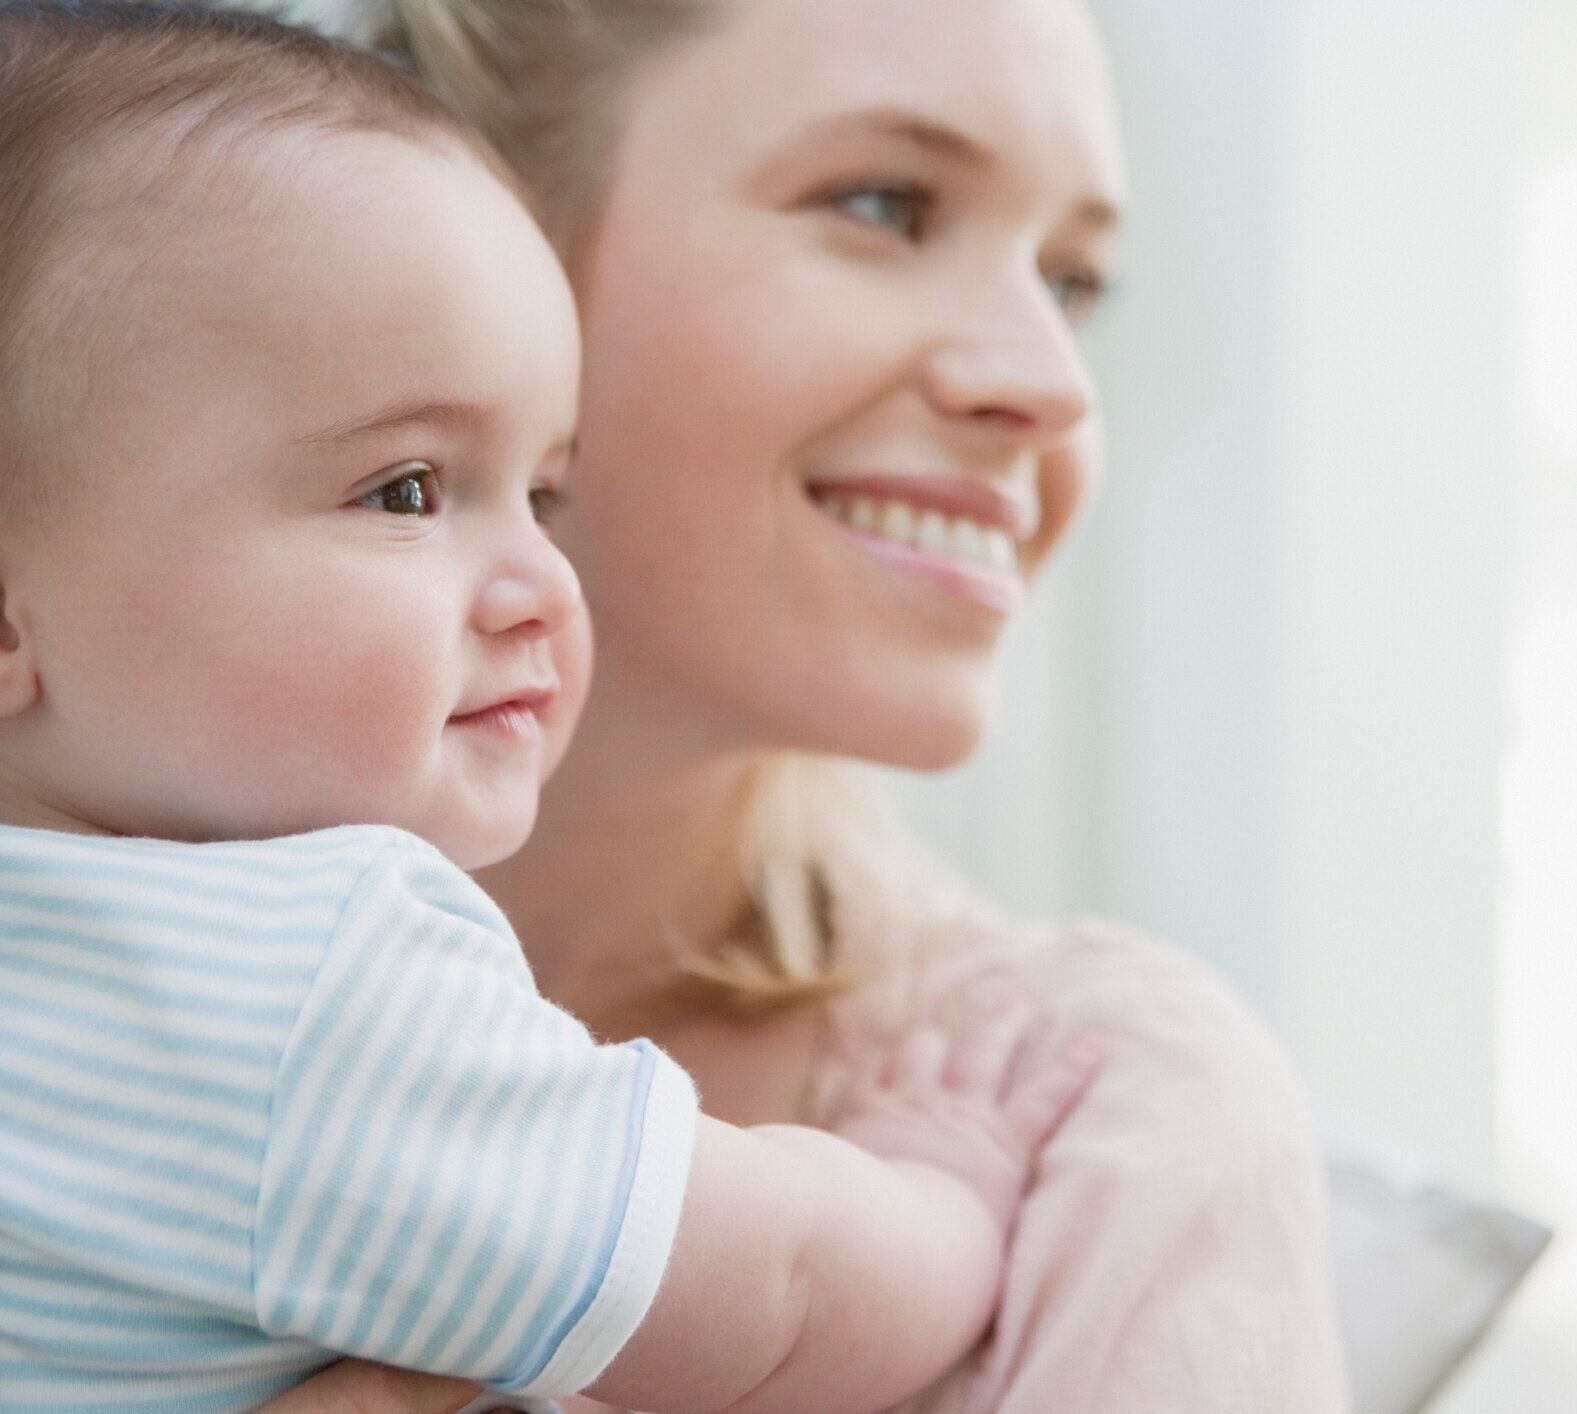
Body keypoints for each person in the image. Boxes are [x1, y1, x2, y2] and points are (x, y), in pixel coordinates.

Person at [0, 6, 1103, 1411]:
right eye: (406, 491)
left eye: (543, 493)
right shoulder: (324, 989)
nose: (540, 579)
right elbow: (784, 1291)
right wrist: (947, 1183)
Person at [260, 0, 1354, 1410]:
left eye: (1073, 282)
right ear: (470, 242)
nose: (1048, 384)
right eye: (886, 205)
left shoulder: (1096, 1120)